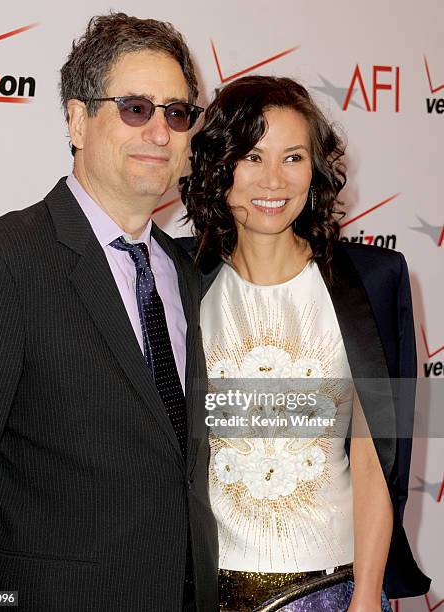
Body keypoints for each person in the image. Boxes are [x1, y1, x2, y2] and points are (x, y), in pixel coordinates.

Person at [0, 12, 218, 611]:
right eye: (135, 108)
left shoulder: (184, 272)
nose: (159, 132)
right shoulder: (4, 266)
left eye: (176, 113)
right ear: (77, 119)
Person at [179, 75, 430, 611]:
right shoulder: (181, 280)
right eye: (252, 156)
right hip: (207, 590)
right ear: (220, 165)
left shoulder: (375, 282)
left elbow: (375, 464)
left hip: (332, 590)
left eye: (293, 157)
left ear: (314, 169)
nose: (273, 181)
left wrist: (364, 599)